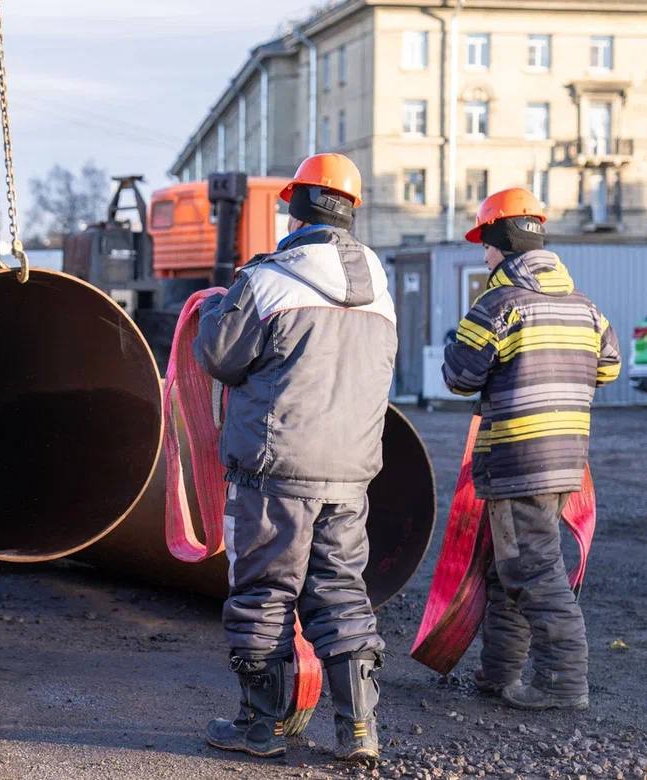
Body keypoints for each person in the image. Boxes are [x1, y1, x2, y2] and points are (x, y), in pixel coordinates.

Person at [193, 153, 397, 763]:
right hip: (350, 475)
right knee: (340, 592)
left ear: (295, 207)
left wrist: (212, 308)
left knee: (263, 592)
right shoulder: (381, 289)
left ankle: (261, 729)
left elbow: (221, 357)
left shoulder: (267, 281)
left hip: (275, 471)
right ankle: (359, 732)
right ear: (352, 211)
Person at [443, 188, 620, 711]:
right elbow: (607, 368)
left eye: (487, 246)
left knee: (534, 570)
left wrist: (461, 338)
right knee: (508, 567)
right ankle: (499, 674)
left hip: (518, 459)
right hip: (566, 460)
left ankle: (563, 681)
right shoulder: (585, 307)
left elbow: (459, 375)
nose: (484, 256)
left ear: (502, 242)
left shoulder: (499, 303)